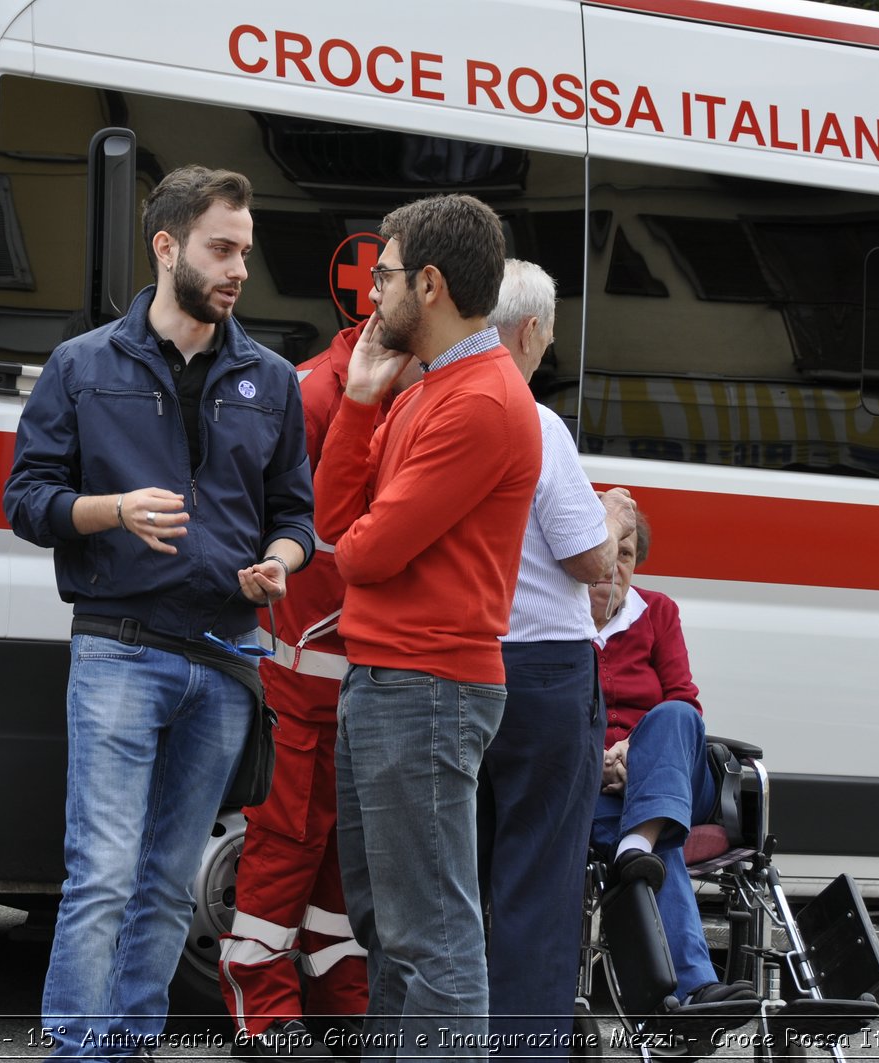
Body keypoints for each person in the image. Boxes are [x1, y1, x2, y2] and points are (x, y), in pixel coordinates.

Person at [4, 165, 316, 1059]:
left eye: (246, 254)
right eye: (221, 249)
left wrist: (281, 562)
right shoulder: (83, 364)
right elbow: (26, 499)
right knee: (101, 873)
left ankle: (129, 1043)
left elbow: (296, 515)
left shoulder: (271, 380)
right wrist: (112, 509)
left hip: (227, 656)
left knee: (171, 884)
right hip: (120, 648)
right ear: (167, 245)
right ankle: (75, 1047)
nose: (237, 270)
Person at [313, 194, 542, 1059]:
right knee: (391, 926)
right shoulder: (428, 390)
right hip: (395, 682)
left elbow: (365, 554)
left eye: (385, 274)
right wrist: (364, 400)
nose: (373, 293)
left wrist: (361, 532)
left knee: (432, 936)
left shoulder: (480, 401)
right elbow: (337, 519)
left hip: (427, 689)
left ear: (432, 283)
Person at [218, 325, 422, 1057]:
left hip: (362, 676)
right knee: (286, 840)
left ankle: (340, 997)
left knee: (344, 850)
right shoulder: (311, 393)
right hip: (301, 675)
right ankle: (262, 1009)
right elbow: (269, 520)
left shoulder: (411, 387)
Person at [478, 260, 636, 1055]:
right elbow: (590, 561)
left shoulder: (428, 402)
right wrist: (606, 513)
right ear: (531, 330)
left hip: (460, 668)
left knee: (458, 887)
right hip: (543, 675)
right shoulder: (535, 421)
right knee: (539, 885)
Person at [589, 514, 761, 1011]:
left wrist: (633, 753)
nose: (615, 566)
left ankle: (635, 838)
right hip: (597, 786)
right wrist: (595, 758)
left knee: (674, 713)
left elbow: (687, 702)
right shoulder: (556, 621)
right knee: (653, 843)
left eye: (626, 555)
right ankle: (696, 991)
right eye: (606, 553)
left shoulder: (658, 612)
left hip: (675, 773)